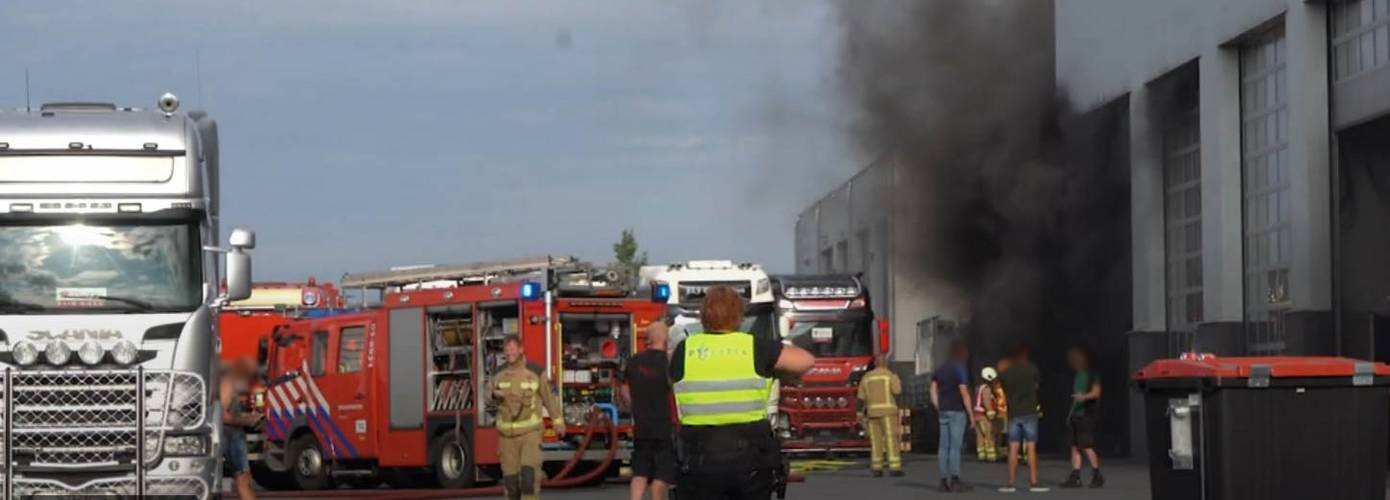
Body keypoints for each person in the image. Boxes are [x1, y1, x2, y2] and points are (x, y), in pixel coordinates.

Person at [670, 286, 815, 500]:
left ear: (704, 315)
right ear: (739, 315)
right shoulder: (755, 347)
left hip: (698, 463)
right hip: (750, 464)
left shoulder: (684, 350)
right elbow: (806, 361)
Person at [489, 336, 564, 500]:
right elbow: (488, 397)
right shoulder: (498, 374)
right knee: (511, 483)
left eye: (513, 348)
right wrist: (495, 394)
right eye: (506, 349)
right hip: (506, 438)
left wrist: (557, 421)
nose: (509, 352)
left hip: (530, 434)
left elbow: (549, 398)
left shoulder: (536, 371)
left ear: (521, 349)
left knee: (529, 479)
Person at [622, 322, 678, 500]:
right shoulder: (668, 364)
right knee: (661, 476)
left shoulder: (634, 361)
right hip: (663, 426)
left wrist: (635, 406)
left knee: (639, 472)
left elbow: (624, 389)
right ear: (666, 339)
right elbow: (675, 391)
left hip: (641, 425)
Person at [997, 344, 1047, 493]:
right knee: (1031, 448)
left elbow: (1003, 388)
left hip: (1014, 413)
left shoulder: (1007, 372)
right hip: (1030, 412)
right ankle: (1033, 482)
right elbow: (1036, 386)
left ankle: (1011, 483)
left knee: (1013, 448)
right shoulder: (1032, 369)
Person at [930, 340, 975, 492]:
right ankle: (955, 480)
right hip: (957, 411)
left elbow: (933, 389)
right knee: (955, 447)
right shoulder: (959, 368)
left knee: (943, 447)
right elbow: (964, 393)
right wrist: (971, 414)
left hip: (943, 411)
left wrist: (938, 406)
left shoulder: (941, 369)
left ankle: (943, 481)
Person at [1060, 345, 1104, 489]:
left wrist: (1083, 397)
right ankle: (1076, 476)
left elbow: (1096, 393)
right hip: (1075, 415)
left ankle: (1097, 475)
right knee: (1074, 447)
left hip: (1086, 415)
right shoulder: (1076, 375)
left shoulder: (1092, 374)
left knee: (1086, 446)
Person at [220, 355, 262, 500]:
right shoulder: (227, 385)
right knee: (243, 480)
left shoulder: (230, 385)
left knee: (243, 480)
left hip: (232, 436)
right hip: (231, 437)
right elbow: (223, 416)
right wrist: (246, 421)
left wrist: (247, 417)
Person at [856, 354, 903, 477]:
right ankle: (894, 468)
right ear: (885, 363)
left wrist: (859, 413)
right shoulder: (889, 375)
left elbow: (860, 398)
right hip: (888, 413)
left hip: (872, 413)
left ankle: (876, 468)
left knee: (875, 442)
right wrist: (896, 377)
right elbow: (897, 391)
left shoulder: (866, 377)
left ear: (875, 364)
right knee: (891, 439)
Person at [973, 367, 1001, 463]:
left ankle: (981, 454)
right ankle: (991, 455)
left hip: (976, 414)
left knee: (980, 435)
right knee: (989, 434)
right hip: (983, 415)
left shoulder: (978, 388)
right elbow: (986, 402)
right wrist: (991, 413)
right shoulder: (986, 389)